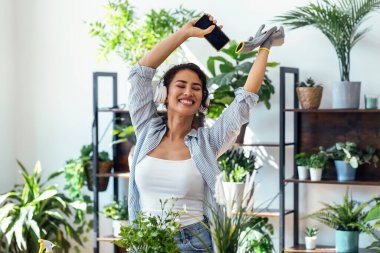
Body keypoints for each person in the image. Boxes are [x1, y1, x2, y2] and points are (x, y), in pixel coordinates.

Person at [127, 14, 284, 252]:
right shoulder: (147, 130)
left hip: (192, 242)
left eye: (196, 88)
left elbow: (243, 102)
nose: (188, 91)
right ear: (165, 94)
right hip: (146, 241)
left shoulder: (207, 142)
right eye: (181, 85)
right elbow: (140, 73)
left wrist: (264, 48)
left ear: (201, 101)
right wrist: (185, 33)